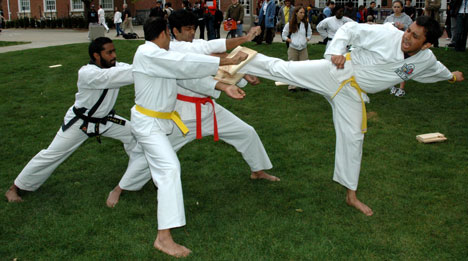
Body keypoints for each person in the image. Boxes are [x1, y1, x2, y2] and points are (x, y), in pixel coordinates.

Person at [237, 16, 464, 216]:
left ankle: (351, 195)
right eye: (408, 30)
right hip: (336, 72)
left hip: (353, 95)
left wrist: (452, 77)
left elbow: (437, 70)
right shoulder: (387, 34)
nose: (407, 37)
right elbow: (349, 29)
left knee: (354, 138)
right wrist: (336, 51)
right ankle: (236, 61)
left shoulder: (425, 59)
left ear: (427, 44)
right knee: (284, 70)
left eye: (415, 37)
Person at [107, 9, 278, 211]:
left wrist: (242, 72)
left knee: (245, 132)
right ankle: (120, 187)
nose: (191, 33)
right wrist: (236, 51)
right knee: (151, 155)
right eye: (187, 29)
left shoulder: (194, 45)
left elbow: (210, 47)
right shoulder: (169, 52)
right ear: (173, 32)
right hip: (181, 115)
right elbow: (194, 64)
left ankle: (257, 170)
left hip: (207, 108)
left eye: (193, 29)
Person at [126, 17, 248, 258]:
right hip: (148, 123)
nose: (170, 41)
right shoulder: (148, 53)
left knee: (151, 162)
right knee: (169, 168)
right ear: (162, 34)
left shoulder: (159, 57)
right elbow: (184, 61)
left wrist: (224, 86)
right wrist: (227, 60)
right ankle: (163, 238)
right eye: (168, 36)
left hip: (164, 121)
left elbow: (188, 73)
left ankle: (121, 188)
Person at [4, 37, 141, 202]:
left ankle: (136, 176)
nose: (114, 55)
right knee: (52, 154)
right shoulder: (87, 73)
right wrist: (145, 66)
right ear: (96, 55)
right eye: (109, 52)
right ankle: (15, 188)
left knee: (137, 136)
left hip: (106, 120)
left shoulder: (116, 68)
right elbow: (115, 76)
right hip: (80, 122)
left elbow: (132, 71)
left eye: (114, 51)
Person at [385, 0, 413, 97]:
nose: (396, 9)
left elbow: (412, 29)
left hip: (403, 44)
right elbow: (384, 29)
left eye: (398, 7)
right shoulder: (389, 18)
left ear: (402, 8)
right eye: (395, 7)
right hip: (392, 44)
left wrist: (404, 26)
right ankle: (392, 85)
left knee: (403, 65)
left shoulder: (406, 18)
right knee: (392, 65)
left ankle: (401, 88)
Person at [282, 6, 312, 91]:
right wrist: (290, 41)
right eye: (301, 12)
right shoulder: (290, 24)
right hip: (293, 48)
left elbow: (309, 34)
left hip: (303, 48)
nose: (303, 14)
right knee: (292, 67)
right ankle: (292, 86)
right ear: (296, 13)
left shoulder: (306, 24)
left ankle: (304, 85)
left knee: (304, 67)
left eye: (303, 12)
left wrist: (306, 39)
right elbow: (283, 35)